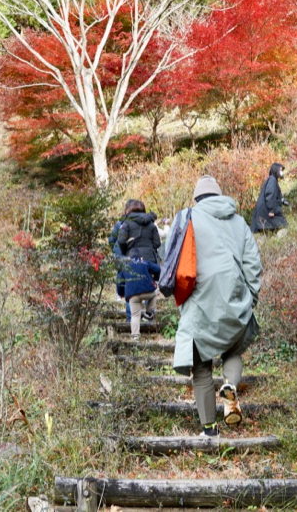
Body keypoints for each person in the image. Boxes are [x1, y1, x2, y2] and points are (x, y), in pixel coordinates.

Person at [164, 176, 262, 437]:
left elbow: (170, 256)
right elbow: (253, 264)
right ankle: (230, 385)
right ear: (220, 196)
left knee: (202, 365)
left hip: (199, 300)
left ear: (196, 198)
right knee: (233, 351)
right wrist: (250, 298)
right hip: (235, 297)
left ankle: (209, 429)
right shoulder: (239, 222)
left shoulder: (188, 217)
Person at [116, 199, 161, 321]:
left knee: (130, 285)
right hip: (149, 259)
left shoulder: (126, 223)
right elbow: (157, 243)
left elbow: (121, 240)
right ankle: (149, 317)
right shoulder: (151, 224)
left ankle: (131, 320)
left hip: (132, 258)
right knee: (149, 284)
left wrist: (126, 251)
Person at [117, 257, 160, 341]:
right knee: (155, 294)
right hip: (147, 291)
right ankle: (148, 312)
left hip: (132, 294)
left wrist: (121, 293)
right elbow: (158, 268)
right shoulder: (144, 262)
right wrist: (155, 278)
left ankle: (135, 336)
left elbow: (119, 282)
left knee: (135, 316)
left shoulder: (125, 266)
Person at [250, 163, 289, 234]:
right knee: (282, 225)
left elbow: (274, 196)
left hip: (265, 210)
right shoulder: (272, 180)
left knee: (274, 228)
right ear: (276, 170)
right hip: (267, 211)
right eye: (280, 170)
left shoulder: (272, 180)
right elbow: (270, 195)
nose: (281, 172)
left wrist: (282, 201)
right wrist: (271, 210)